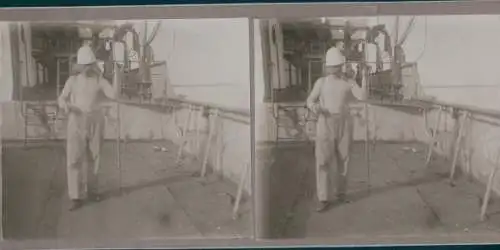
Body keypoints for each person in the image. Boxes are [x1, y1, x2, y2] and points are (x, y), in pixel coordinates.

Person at [58, 43, 119, 211]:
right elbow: (61, 98)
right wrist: (65, 105)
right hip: (76, 120)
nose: (86, 69)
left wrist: (116, 75)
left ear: (93, 65)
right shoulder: (72, 81)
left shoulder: (99, 81)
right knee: (74, 159)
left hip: (95, 120)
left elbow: (113, 95)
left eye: (89, 65)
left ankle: (92, 191)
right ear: (79, 66)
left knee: (95, 157)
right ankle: (75, 196)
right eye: (84, 66)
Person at [306, 46, 364, 212]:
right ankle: (323, 198)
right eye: (332, 66)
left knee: (344, 160)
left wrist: (359, 79)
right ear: (327, 67)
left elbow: (363, 96)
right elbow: (309, 100)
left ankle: (341, 194)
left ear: (342, 66)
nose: (335, 69)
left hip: (344, 123)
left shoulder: (348, 84)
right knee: (322, 161)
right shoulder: (321, 83)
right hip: (325, 122)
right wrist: (315, 107)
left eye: (337, 66)